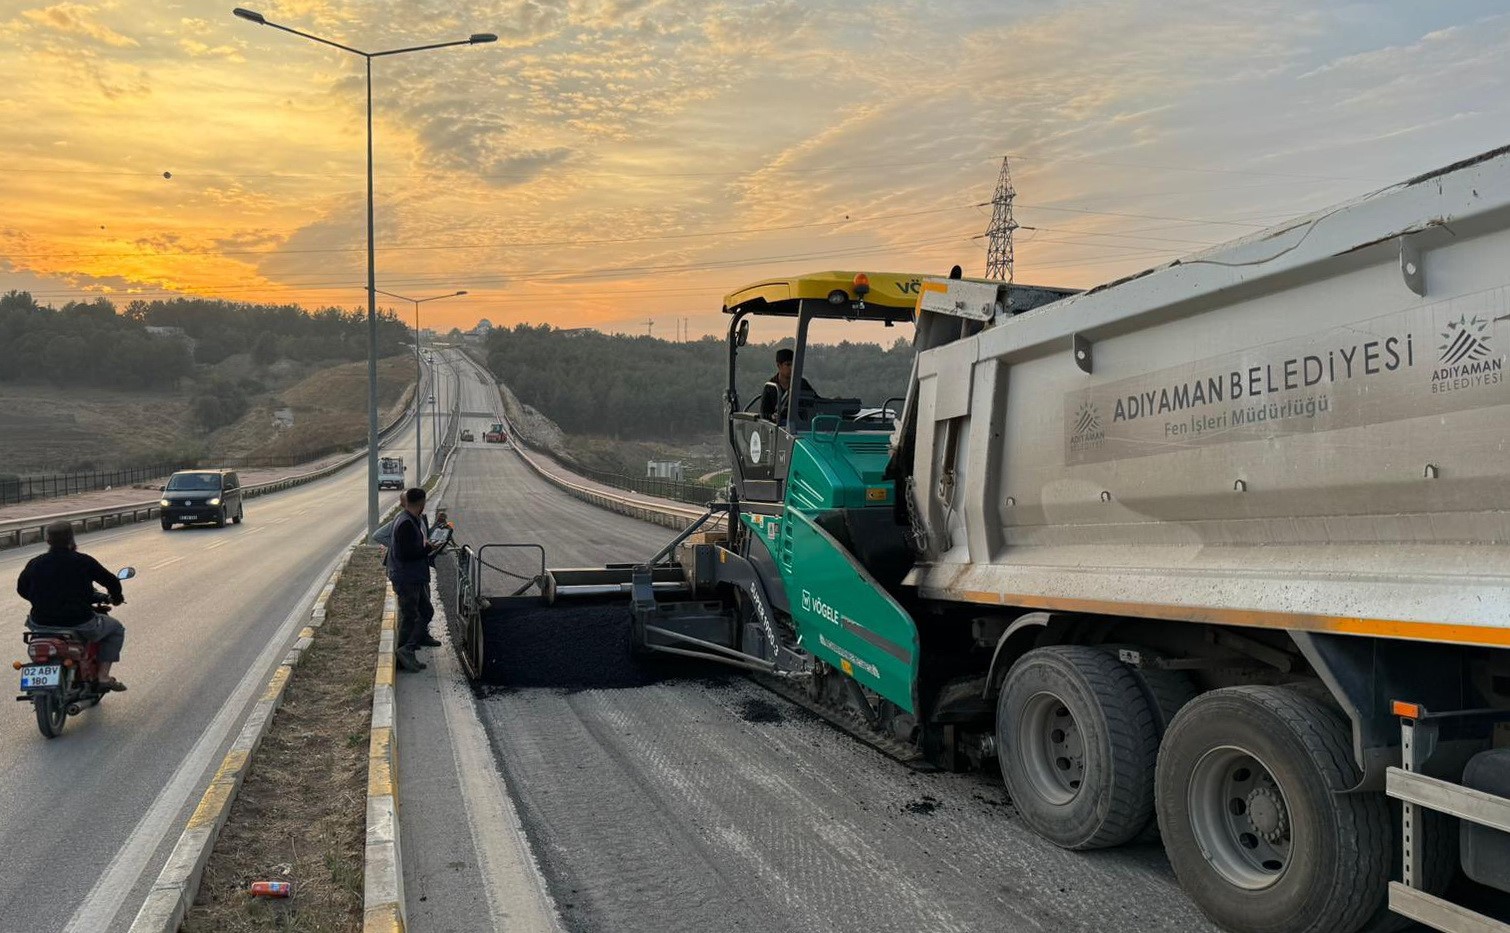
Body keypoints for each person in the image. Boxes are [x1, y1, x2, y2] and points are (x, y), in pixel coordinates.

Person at [16, 521, 128, 691]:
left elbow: (22, 589)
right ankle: (103, 677)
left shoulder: (36, 563)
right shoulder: (83, 561)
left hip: (41, 624)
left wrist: (41, 601)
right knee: (116, 629)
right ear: (71, 540)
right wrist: (117, 598)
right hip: (79, 622)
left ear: (48, 540)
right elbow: (111, 581)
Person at [387, 487, 443, 672]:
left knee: (425, 611)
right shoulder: (405, 523)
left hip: (413, 576)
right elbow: (406, 554)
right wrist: (427, 548)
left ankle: (406, 652)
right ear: (422, 503)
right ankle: (405, 651)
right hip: (407, 578)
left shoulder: (409, 519)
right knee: (411, 615)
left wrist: (424, 545)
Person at [759, 347, 818, 422]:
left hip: (799, 426)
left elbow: (816, 401)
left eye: (793, 364)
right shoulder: (770, 387)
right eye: (788, 364)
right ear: (779, 365)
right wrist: (773, 417)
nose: (792, 368)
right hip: (779, 429)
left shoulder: (802, 383)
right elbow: (763, 415)